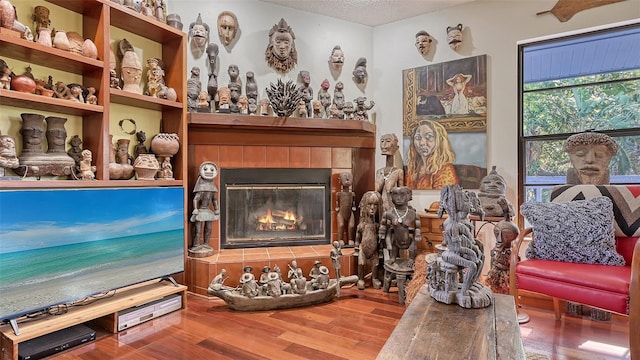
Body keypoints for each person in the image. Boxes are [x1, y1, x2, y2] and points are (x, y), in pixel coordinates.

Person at [405, 120, 459, 190]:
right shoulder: (412, 169)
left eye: (429, 136)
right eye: (418, 138)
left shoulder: (445, 170)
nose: (422, 143)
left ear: (439, 140)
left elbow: (443, 198)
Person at [189, 161, 219, 254]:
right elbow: (195, 199)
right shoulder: (200, 187)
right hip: (201, 211)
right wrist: (195, 209)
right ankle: (196, 244)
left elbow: (214, 200)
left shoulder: (212, 188)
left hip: (208, 211)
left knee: (208, 228)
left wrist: (216, 209)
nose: (208, 171)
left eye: (211, 169)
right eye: (205, 169)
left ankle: (206, 243)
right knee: (198, 229)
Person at [375, 133, 404, 212]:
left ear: (396, 147)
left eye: (388, 141)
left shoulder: (398, 172)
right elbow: (376, 191)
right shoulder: (379, 172)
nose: (384, 145)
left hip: (393, 209)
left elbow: (402, 194)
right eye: (382, 141)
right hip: (380, 209)